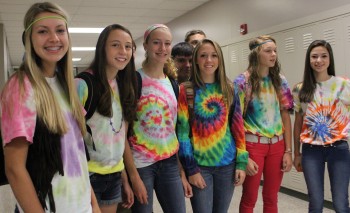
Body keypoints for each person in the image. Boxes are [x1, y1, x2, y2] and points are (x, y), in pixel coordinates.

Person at [0, 2, 99, 212]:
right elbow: (14, 169)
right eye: (43, 31)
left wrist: (93, 204)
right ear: (29, 38)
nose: (54, 38)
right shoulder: (21, 87)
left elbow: (77, 155)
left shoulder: (66, 86)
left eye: (60, 30)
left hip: (81, 206)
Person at [177, 38, 248, 213]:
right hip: (200, 166)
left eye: (213, 55)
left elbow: (238, 129)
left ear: (220, 59)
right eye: (203, 55)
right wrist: (191, 170)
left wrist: (241, 163)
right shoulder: (186, 90)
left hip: (227, 164)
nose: (209, 60)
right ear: (196, 60)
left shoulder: (231, 89)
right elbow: (183, 135)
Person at [124, 24, 187, 213]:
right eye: (156, 43)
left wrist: (181, 171)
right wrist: (133, 176)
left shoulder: (172, 83)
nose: (162, 48)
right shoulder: (134, 81)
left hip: (168, 162)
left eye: (167, 43)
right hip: (141, 164)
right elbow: (121, 134)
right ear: (146, 45)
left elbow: (172, 129)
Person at [75, 24, 137, 213]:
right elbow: (69, 140)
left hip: (114, 175)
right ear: (102, 48)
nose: (123, 51)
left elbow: (119, 137)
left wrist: (125, 179)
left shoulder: (124, 84)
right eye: (115, 45)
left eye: (128, 46)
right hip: (87, 175)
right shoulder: (83, 84)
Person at [234, 35, 294, 213]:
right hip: (253, 146)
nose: (273, 55)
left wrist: (288, 151)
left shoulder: (280, 81)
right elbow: (236, 122)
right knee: (249, 197)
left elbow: (285, 117)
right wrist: (244, 156)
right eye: (268, 51)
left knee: (271, 197)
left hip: (277, 145)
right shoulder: (242, 82)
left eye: (275, 51)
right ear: (256, 54)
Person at [292, 40, 350, 213]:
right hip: (311, 151)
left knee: (341, 203)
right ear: (308, 60)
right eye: (314, 56)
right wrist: (296, 153)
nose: (319, 60)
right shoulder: (300, 89)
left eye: (323, 56)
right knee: (315, 202)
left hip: (338, 148)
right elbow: (298, 123)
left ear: (330, 59)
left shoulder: (344, 85)